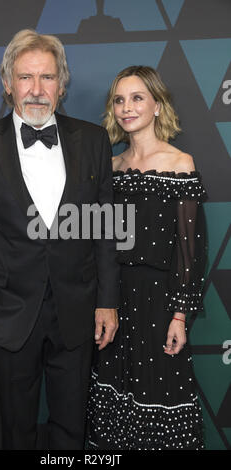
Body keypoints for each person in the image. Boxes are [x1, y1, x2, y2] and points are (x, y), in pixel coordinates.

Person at [0, 29, 120, 450]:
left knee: (71, 431)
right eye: (26, 78)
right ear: (8, 84)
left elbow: (103, 227)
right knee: (17, 431)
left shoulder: (94, 140)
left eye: (47, 78)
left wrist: (107, 300)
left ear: (62, 86)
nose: (37, 89)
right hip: (8, 311)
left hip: (78, 309)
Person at [87, 65, 207, 450]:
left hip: (159, 304)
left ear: (157, 105)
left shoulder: (179, 163)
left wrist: (180, 315)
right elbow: (98, 240)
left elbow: (191, 250)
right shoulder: (110, 167)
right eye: (120, 100)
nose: (127, 107)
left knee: (161, 396)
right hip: (113, 300)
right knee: (114, 402)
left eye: (137, 97)